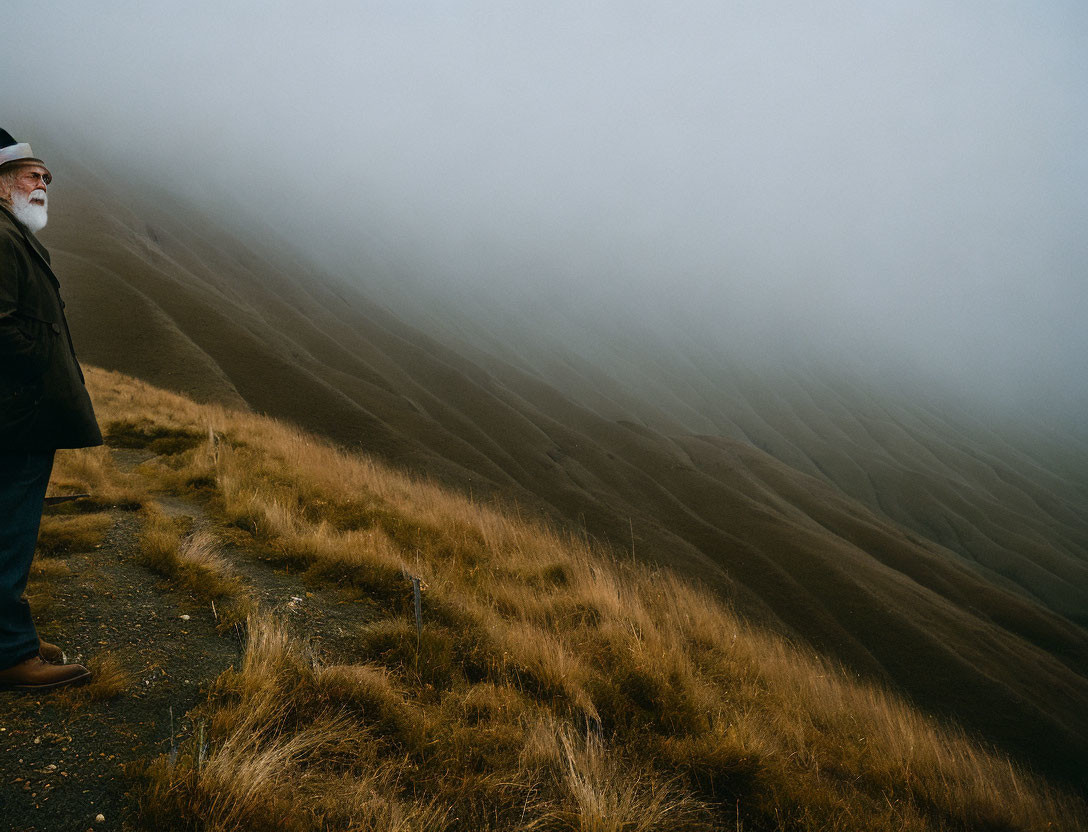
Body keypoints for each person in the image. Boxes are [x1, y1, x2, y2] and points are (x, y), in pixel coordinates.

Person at [0, 128, 102, 690]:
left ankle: (9, 636)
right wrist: (40, 368)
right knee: (8, 532)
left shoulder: (11, 233)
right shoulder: (1, 236)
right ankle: (9, 654)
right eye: (32, 176)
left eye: (46, 178)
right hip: (14, 416)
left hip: (15, 413)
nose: (43, 184)